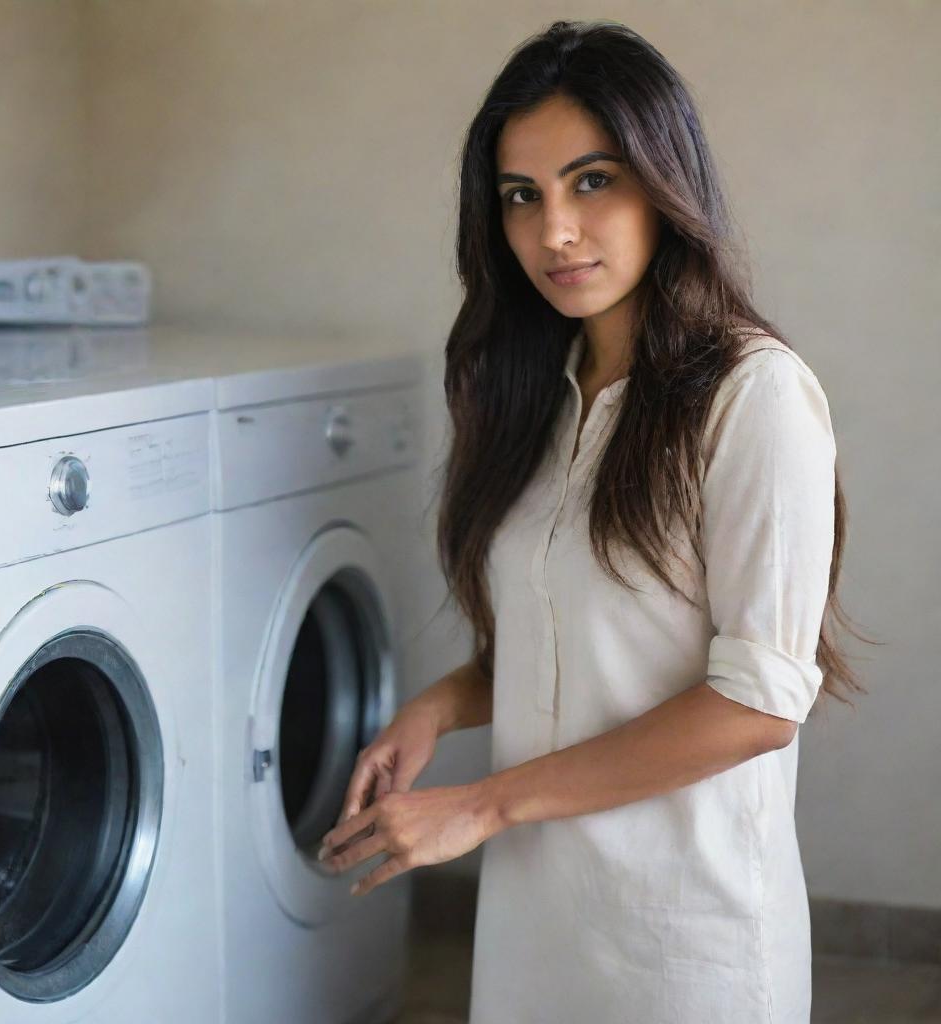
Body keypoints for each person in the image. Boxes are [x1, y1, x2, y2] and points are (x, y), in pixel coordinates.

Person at [315, 19, 871, 1023]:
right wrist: (435, 707)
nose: (554, 232)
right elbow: (568, 638)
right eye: (521, 197)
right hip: (534, 913)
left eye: (592, 181)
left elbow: (757, 703)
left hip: (685, 944)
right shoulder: (540, 394)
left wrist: (477, 802)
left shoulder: (754, 396)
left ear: (665, 183)